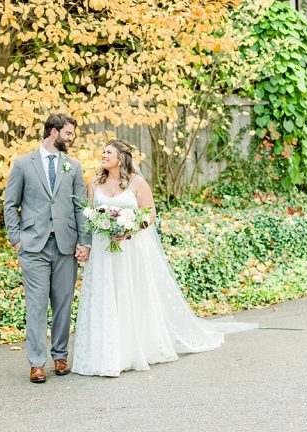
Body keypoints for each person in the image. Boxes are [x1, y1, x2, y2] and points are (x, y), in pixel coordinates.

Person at [72, 139, 255, 377]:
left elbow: (150, 214)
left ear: (121, 157)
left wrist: (129, 229)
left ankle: (131, 350)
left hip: (129, 251)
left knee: (130, 295)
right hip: (103, 250)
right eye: (103, 151)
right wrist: (89, 240)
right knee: (105, 296)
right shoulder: (94, 183)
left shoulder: (137, 183)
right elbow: (88, 216)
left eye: (108, 152)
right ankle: (105, 352)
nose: (103, 155)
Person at [3, 113, 91, 383]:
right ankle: (37, 362)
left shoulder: (73, 167)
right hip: (33, 246)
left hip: (66, 245)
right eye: (67, 133)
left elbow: (80, 206)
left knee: (63, 304)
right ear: (53, 132)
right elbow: (10, 204)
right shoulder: (22, 164)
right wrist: (16, 239)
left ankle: (60, 356)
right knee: (37, 304)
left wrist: (84, 241)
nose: (71, 138)